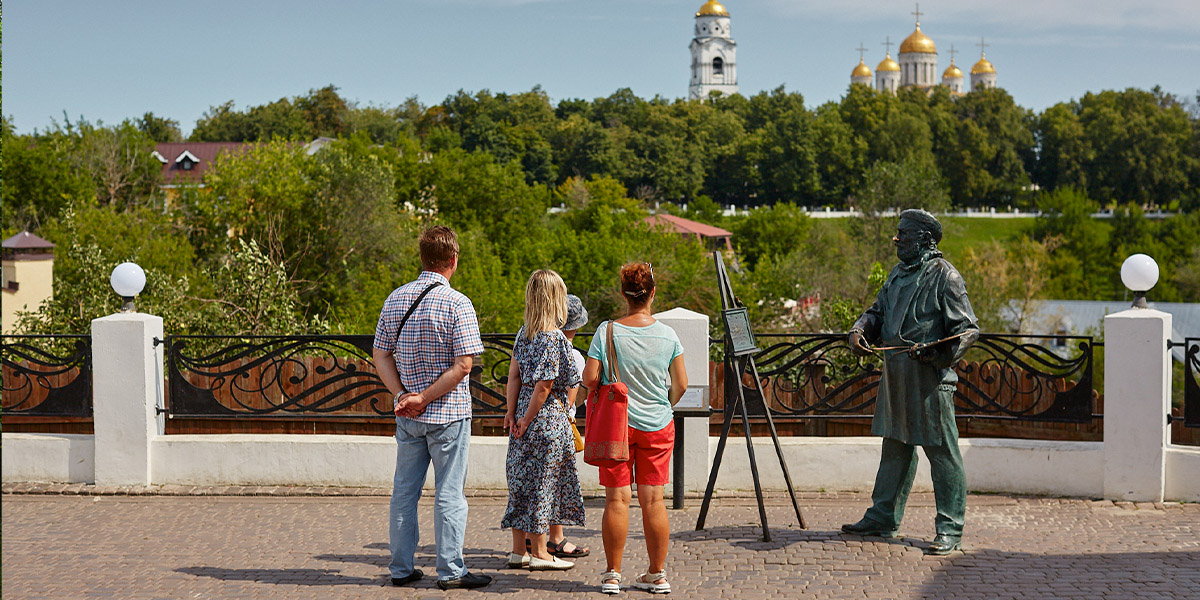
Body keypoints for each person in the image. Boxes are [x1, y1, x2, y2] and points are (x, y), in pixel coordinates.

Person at [841, 209, 980, 556]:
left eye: (903, 234)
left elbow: (967, 330)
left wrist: (937, 353)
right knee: (895, 450)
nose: (896, 239)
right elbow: (877, 311)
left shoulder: (945, 276)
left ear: (924, 240)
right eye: (897, 232)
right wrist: (860, 329)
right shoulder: (898, 274)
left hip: (929, 380)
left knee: (942, 454)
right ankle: (882, 517)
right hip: (896, 377)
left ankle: (950, 527)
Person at [372, 226, 492, 590]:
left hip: (408, 417)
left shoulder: (395, 298)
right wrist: (424, 397)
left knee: (404, 493)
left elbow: (380, 353)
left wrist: (402, 396)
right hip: (449, 416)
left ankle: (401, 568)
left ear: (421, 257)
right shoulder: (458, 303)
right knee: (450, 494)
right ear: (453, 260)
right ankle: (451, 570)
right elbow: (464, 365)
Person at [582, 262, 687, 595]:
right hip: (658, 425)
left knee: (617, 500)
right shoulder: (668, 335)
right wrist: (661, 403)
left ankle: (613, 574)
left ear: (623, 294)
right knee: (654, 501)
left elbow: (589, 378)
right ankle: (657, 575)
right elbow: (681, 384)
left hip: (618, 426)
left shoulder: (607, 330)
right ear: (652, 293)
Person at [501, 270, 586, 571]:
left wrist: (512, 413)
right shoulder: (554, 337)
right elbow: (544, 386)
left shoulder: (523, 333)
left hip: (521, 413)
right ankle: (540, 552)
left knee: (520, 481)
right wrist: (525, 418)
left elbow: (514, 376)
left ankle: (517, 551)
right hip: (545, 418)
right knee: (543, 483)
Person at [522, 293, 592, 562]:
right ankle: (555, 539)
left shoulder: (532, 339)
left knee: (529, 481)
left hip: (526, 418)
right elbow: (570, 395)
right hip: (554, 423)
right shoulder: (569, 351)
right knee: (554, 484)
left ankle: (528, 539)